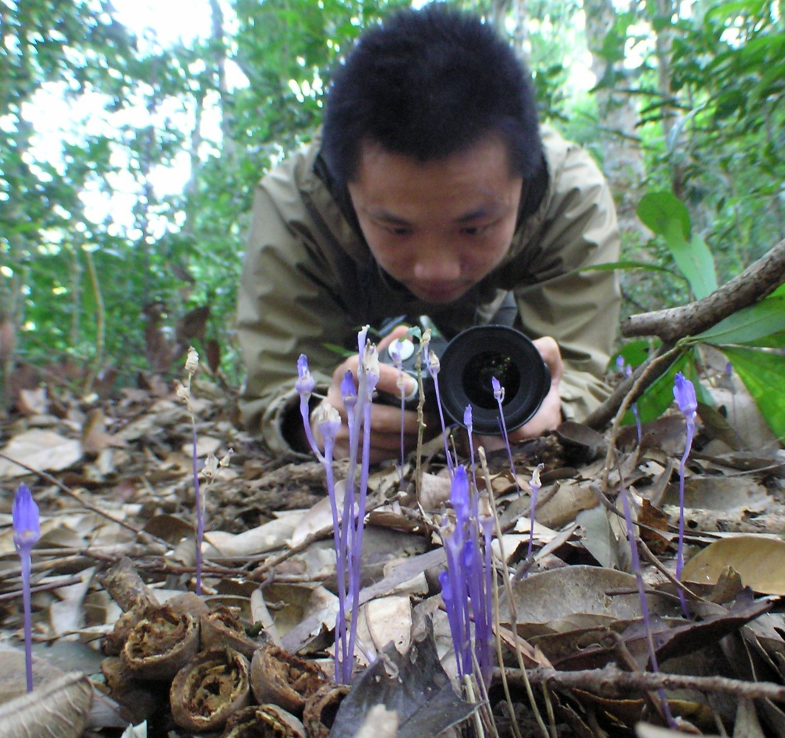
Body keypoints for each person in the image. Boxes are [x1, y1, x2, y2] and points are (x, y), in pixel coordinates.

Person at [237, 4, 621, 463]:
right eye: (396, 228)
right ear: (346, 185)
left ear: (525, 177)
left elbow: (577, 369)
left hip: (501, 318)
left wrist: (549, 408)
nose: (436, 269)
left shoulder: (568, 194)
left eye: (475, 227)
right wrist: (318, 419)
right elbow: (278, 385)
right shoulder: (295, 206)